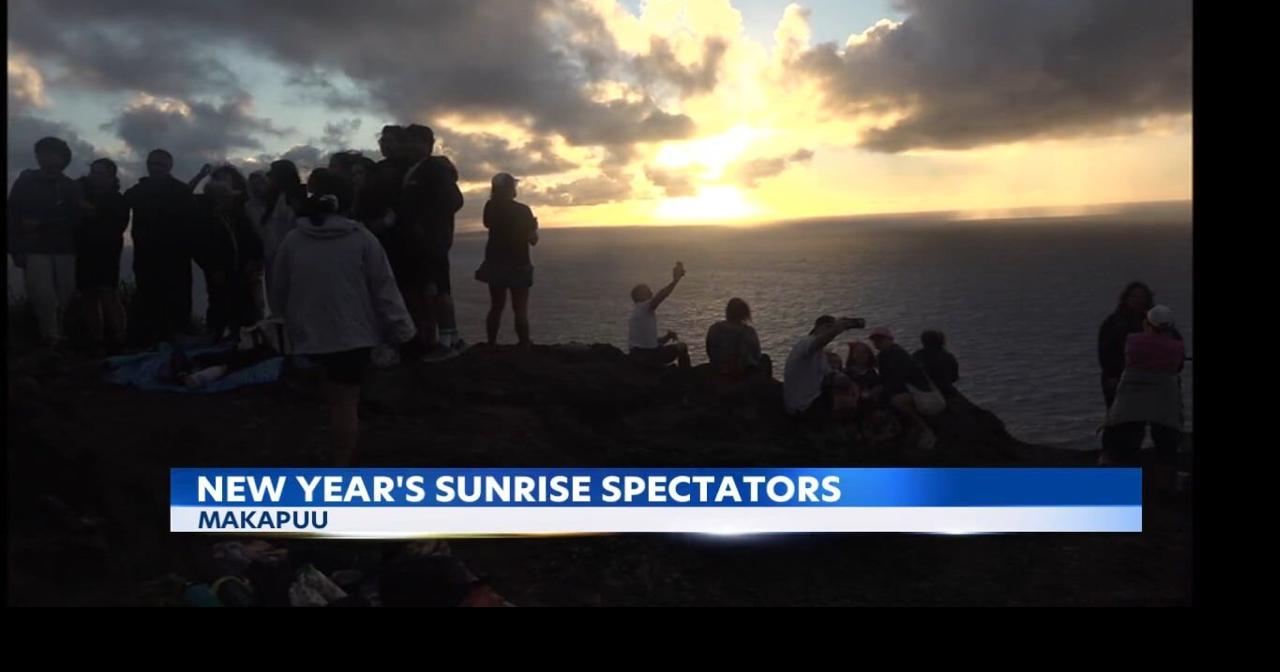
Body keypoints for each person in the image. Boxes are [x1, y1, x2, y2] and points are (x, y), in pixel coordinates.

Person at [270, 169, 416, 466]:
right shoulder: (362, 238)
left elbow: (278, 288)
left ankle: (322, 459)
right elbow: (384, 288)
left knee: (324, 399)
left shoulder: (294, 240)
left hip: (306, 338)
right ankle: (340, 468)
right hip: (353, 336)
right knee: (345, 403)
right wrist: (402, 331)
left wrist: (284, 323)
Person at [6, 137, 84, 347]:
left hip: (65, 249)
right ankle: (51, 339)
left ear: (62, 158)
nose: (45, 158)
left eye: (51, 153)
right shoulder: (25, 182)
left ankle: (58, 335)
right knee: (44, 297)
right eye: (41, 154)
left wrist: (40, 223)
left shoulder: (70, 186)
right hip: (34, 249)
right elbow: (12, 216)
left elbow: (76, 218)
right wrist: (15, 249)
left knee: (65, 294)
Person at [399, 124, 465, 355]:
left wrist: (427, 226)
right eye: (407, 141)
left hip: (432, 241)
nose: (410, 146)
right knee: (429, 288)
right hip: (420, 242)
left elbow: (455, 200)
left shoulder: (435, 168)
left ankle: (449, 340)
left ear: (428, 144)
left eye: (415, 141)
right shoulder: (415, 169)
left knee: (438, 289)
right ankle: (445, 338)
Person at [125, 148, 198, 345]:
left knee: (177, 302)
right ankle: (149, 340)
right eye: (152, 164)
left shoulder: (182, 192)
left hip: (176, 259)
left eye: (160, 164)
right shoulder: (137, 191)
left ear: (169, 167)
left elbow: (193, 224)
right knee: (148, 300)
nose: (155, 168)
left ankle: (178, 340)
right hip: (145, 257)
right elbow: (117, 208)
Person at [1101, 305, 1185, 467]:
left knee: (1125, 437)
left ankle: (1121, 474)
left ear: (1147, 323)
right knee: (1165, 439)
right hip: (1165, 395)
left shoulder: (1132, 340)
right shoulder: (1177, 345)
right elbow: (1178, 367)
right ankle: (1166, 480)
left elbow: (1121, 361)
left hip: (1132, 394)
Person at [193, 179, 262, 342]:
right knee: (220, 309)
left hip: (242, 274)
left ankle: (246, 345)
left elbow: (253, 241)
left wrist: (253, 261)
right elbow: (199, 248)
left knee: (245, 312)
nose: (231, 200)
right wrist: (213, 269)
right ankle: (216, 344)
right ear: (217, 199)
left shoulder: (238, 218)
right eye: (227, 197)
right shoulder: (205, 220)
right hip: (220, 276)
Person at [1098, 281, 1183, 409]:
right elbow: (1105, 351)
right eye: (1134, 296)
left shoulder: (1159, 320)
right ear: (1126, 298)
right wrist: (1112, 375)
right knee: (1121, 419)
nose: (1138, 300)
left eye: (1142, 296)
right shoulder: (1114, 322)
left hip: (1156, 379)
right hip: (1120, 378)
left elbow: (1175, 344)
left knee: (1160, 417)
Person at [75, 158, 130, 354]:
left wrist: (88, 210)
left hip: (107, 252)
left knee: (108, 295)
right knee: (88, 296)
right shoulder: (81, 193)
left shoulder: (118, 200)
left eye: (99, 173)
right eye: (93, 172)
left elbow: (116, 227)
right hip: (83, 251)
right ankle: (96, 341)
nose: (94, 176)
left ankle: (119, 339)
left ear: (110, 176)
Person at [480, 172, 538, 346]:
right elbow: (532, 240)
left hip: (495, 262)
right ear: (511, 189)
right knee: (519, 308)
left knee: (496, 306)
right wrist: (534, 227)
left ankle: (491, 343)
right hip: (519, 262)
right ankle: (524, 342)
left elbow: (488, 224)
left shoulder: (490, 207)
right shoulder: (523, 210)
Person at [868, 326, 944, 449]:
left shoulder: (892, 354)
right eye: (875, 340)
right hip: (922, 393)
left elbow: (896, 379)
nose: (877, 342)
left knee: (896, 401)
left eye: (880, 339)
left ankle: (924, 429)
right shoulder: (895, 353)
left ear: (890, 339)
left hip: (922, 396)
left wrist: (879, 391)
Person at [783, 315, 863, 419]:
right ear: (816, 327)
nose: (829, 331)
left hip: (809, 402)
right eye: (827, 327)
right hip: (804, 405)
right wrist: (837, 329)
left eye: (831, 327)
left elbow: (831, 375)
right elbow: (818, 343)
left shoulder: (819, 354)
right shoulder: (805, 342)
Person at [260, 160, 306, 312]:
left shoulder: (293, 198)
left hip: (290, 259)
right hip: (273, 259)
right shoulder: (272, 199)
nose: (268, 177)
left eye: (272, 174)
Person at [628, 262, 691, 369]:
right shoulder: (645, 307)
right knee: (682, 347)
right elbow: (662, 295)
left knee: (662, 350)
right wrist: (676, 280)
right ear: (640, 295)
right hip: (649, 356)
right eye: (648, 291)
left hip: (637, 355)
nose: (651, 292)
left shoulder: (636, 313)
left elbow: (649, 343)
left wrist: (667, 337)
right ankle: (685, 376)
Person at [705, 298, 771, 379]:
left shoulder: (714, 328)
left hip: (717, 369)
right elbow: (756, 355)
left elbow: (709, 351)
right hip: (741, 373)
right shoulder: (748, 332)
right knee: (765, 359)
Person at [913, 330, 960, 399]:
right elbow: (954, 377)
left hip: (925, 392)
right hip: (945, 391)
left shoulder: (916, 356)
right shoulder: (948, 356)